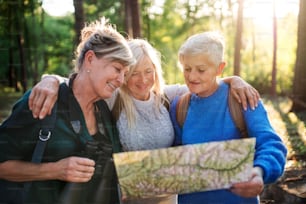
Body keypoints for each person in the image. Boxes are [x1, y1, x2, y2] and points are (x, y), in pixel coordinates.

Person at [28, 38, 260, 204]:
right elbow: (79, 85)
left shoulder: (167, 96)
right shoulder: (114, 98)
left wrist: (235, 80)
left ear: (156, 71)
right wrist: (50, 80)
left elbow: (206, 81)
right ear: (124, 74)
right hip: (128, 196)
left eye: (148, 71)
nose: (143, 80)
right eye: (134, 73)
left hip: (169, 196)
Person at [0, 17, 135, 204]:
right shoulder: (43, 102)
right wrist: (54, 170)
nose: (121, 80)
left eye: (125, 74)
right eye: (117, 69)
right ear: (90, 60)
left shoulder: (104, 110)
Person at [169, 31, 287, 204]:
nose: (192, 76)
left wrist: (260, 171)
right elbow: (173, 156)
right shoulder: (179, 106)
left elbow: (272, 144)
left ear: (219, 68)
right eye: (187, 69)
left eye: (201, 70)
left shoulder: (243, 99)